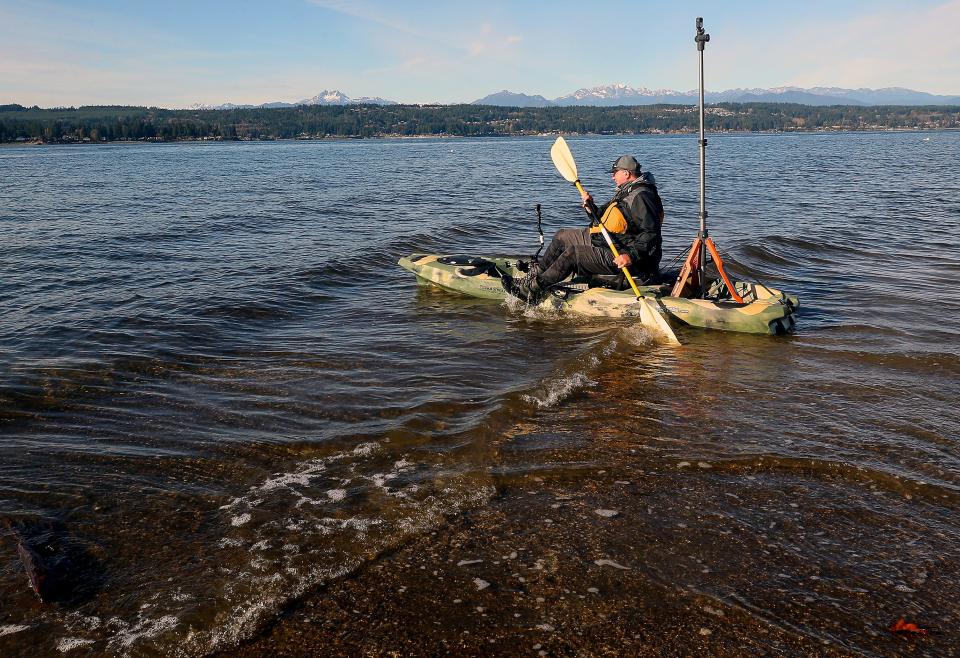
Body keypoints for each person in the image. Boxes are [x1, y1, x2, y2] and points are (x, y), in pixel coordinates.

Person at [502, 155, 664, 302]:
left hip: (627, 256)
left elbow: (651, 233)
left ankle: (531, 290)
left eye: (615, 172)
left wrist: (631, 256)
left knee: (573, 254)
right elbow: (604, 220)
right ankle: (533, 276)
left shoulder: (642, 196)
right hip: (608, 241)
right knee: (562, 236)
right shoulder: (627, 191)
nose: (612, 176)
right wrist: (590, 207)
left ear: (627, 174)